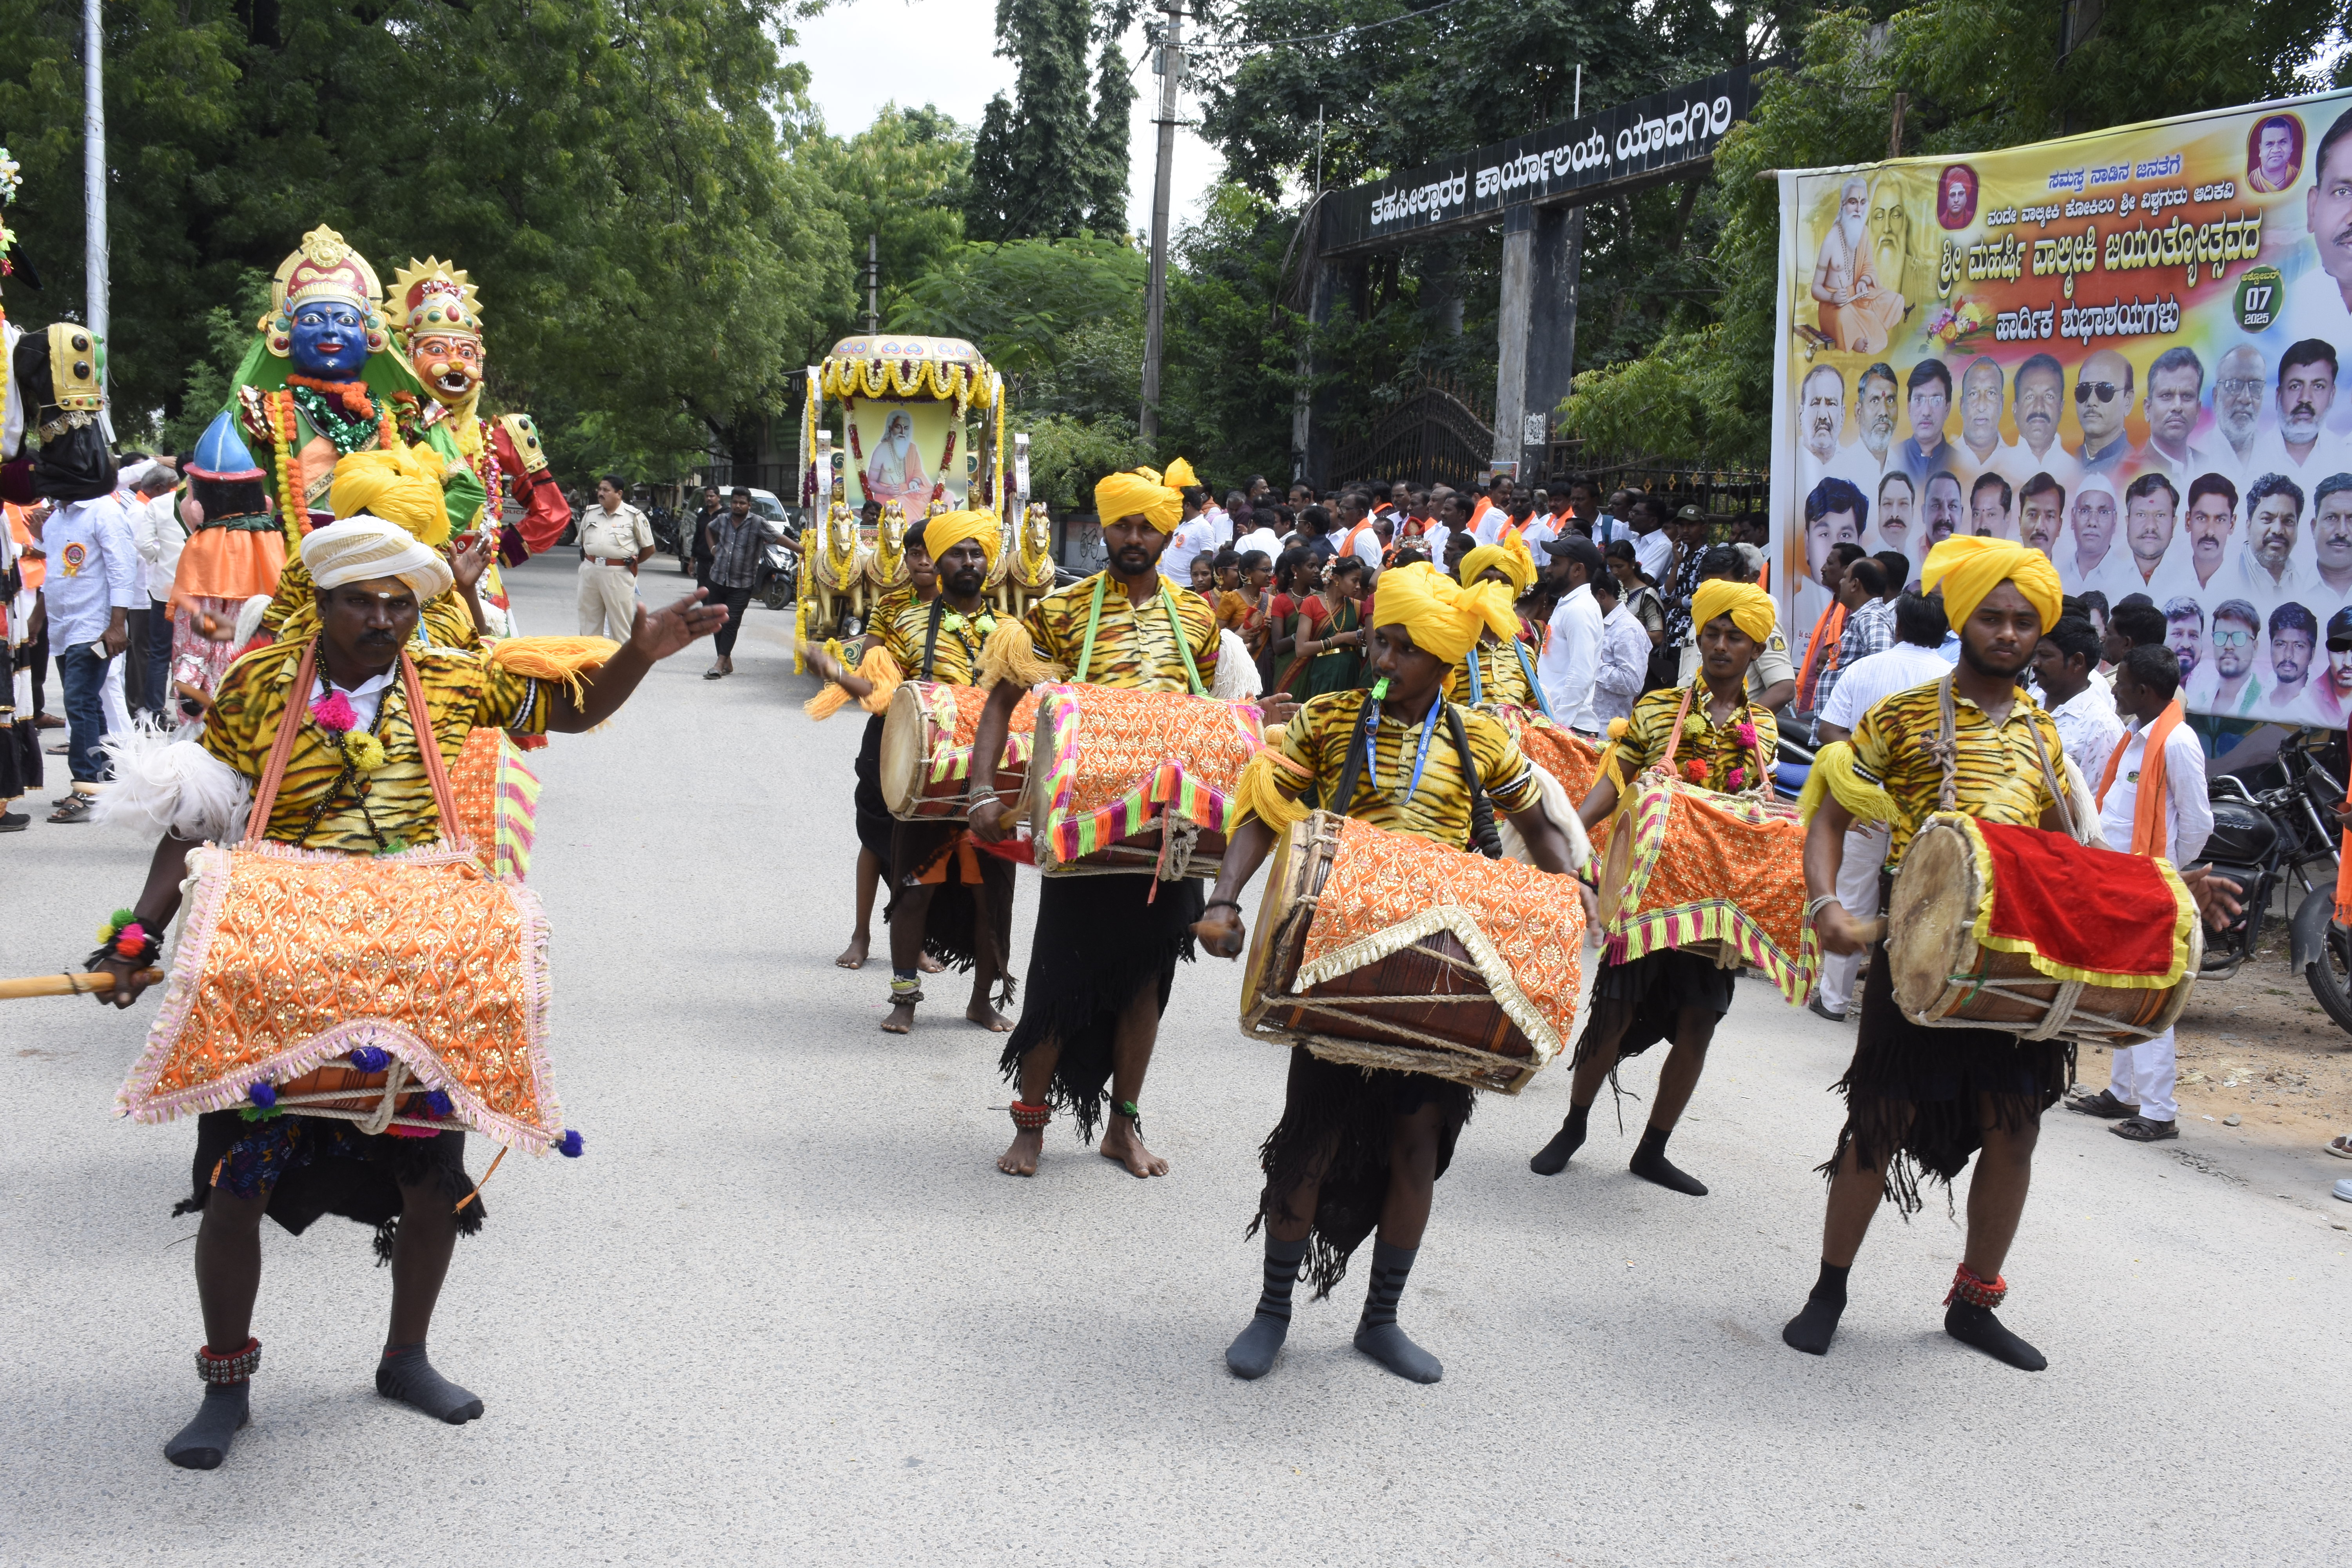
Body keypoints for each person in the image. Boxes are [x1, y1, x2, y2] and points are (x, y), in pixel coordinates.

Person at [84, 497, 726, 1470]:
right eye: (362, 602)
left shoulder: (454, 675)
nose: (383, 619)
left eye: (400, 603)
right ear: (322, 603)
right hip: (287, 953)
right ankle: (226, 1383)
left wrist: (639, 653)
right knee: (235, 1185)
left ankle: (406, 1357)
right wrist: (136, 937)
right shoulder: (261, 682)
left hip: (413, 958)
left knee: (432, 1184)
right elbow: (196, 820)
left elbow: (571, 709)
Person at [1197, 562, 1580, 1384]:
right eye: (1381, 642)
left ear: (1445, 659)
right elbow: (1264, 812)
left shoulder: (1481, 738)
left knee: (1416, 1149)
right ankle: (1272, 1312)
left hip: (1441, 976)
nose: (1383, 660)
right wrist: (1224, 900)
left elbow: (1541, 823)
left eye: (1404, 649)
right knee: (1308, 1140)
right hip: (1341, 967)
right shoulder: (1332, 719)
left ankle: (1381, 1320)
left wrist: (1569, 896)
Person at [1786, 536, 2088, 1370]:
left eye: (2023, 620)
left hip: (2012, 960)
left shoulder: (2045, 735)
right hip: (1915, 952)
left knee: (2014, 1129)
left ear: (2040, 631)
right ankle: (1828, 1293)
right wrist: (1826, 906)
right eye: (1991, 616)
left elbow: (2067, 853)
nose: (2007, 632)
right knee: (1877, 1122)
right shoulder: (1901, 716)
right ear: (1963, 620)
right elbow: (1828, 816)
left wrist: (2159, 888)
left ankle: (1974, 1304)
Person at [967, 468, 1223, 1180]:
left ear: (1168, 536)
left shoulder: (1199, 618)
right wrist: (982, 789)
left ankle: (1122, 1128)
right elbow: (1000, 701)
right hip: (1083, 825)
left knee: (1147, 983)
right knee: (1061, 975)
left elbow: (1211, 717)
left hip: (1170, 831)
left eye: (1147, 527)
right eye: (1122, 525)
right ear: (1104, 529)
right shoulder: (1063, 610)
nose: (1133, 538)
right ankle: (1030, 1124)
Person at [1529, 579, 1781, 1196]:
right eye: (1712, 634)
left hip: (1712, 907)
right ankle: (1573, 1127)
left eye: (1735, 638)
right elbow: (1614, 779)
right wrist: (1567, 833)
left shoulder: (1764, 729)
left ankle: (1653, 1150)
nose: (1720, 646)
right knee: (1613, 1015)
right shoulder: (1658, 708)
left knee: (1698, 1026)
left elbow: (1755, 814)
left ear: (1755, 650)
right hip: (1646, 894)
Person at [802, 512, 1018, 1034]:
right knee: (914, 890)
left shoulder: (1012, 632)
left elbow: (1033, 703)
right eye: (956, 553)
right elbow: (883, 696)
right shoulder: (906, 624)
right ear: (938, 563)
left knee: (992, 899)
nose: (968, 562)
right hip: (928, 782)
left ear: (989, 563)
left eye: (977, 553)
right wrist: (836, 673)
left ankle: (982, 1002)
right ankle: (904, 999)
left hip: (992, 785)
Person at [2067, 645, 2210, 1144]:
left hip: (2149, 884)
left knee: (2151, 990)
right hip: (2118, 880)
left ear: (2145, 691)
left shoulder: (2178, 742)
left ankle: (2158, 1110)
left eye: (2122, 683)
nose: (2115, 691)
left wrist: (2164, 872)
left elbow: (2198, 824)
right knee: (2125, 988)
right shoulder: (2134, 735)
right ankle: (2124, 1093)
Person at [1806, 592, 1953, 1022]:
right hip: (1925, 810)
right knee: (1926, 902)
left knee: (1854, 893)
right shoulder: (1952, 681)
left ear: (1898, 627)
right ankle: (1917, 1003)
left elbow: (1830, 729)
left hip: (1862, 804)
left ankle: (1834, 1000)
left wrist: (1868, 768)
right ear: (1947, 632)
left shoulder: (1865, 668)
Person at [826, 532, 939, 973]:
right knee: (874, 836)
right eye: (915, 553)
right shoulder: (890, 606)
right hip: (889, 731)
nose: (924, 561)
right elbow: (873, 667)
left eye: (932, 553)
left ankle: (919, 939)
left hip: (940, 737)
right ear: (905, 559)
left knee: (925, 841)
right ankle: (861, 934)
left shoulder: (966, 610)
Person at [38, 455, 140, 823]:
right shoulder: (56, 519)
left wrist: (117, 625)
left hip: (94, 627)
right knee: (89, 704)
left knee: (79, 702)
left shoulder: (104, 512)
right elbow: (54, 573)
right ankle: (103, 778)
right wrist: (36, 620)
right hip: (64, 628)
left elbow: (123, 570)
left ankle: (84, 786)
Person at [1811, 176, 1907, 353]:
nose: (1858, 209)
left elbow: (1868, 266)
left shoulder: (1863, 232)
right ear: (1843, 204)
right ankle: (1855, 339)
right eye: (1853, 202)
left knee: (1893, 300)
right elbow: (1815, 288)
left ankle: (1862, 329)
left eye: (1863, 203)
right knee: (1845, 315)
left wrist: (1863, 281)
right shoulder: (1831, 240)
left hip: (1856, 296)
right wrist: (1833, 298)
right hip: (1833, 306)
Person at [2031, 615, 2124, 787]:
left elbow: (2095, 798)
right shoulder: (2028, 701)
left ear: (2077, 662)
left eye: (2045, 656)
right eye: (2035, 654)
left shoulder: (2102, 728)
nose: (2035, 663)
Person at [123, 460, 184, 719]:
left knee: (159, 652)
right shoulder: (197, 502)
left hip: (163, 589)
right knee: (190, 653)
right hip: (196, 588)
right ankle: (190, 712)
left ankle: (154, 711)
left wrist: (161, 559)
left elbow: (143, 544)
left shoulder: (156, 505)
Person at [1808, 558, 1892, 742]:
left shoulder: (1871, 618)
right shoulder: (1865, 616)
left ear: (1855, 584)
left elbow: (1883, 662)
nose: (1841, 582)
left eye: (1845, 578)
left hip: (1847, 731)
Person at [1537, 534, 1606, 735]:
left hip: (1569, 725)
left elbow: (1581, 674)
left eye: (1556, 563)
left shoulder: (1579, 609)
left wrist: (1558, 725)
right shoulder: (1570, 603)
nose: (1548, 570)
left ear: (1577, 570)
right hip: (1558, 720)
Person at [577, 475, 653, 640]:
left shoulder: (633, 516)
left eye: (606, 490)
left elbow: (649, 548)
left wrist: (633, 563)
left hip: (618, 574)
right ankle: (592, 657)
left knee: (621, 626)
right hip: (590, 571)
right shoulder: (591, 514)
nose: (601, 493)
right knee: (588, 624)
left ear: (619, 494)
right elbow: (582, 542)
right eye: (600, 489)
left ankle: (622, 657)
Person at [702, 487, 764, 679]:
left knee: (731, 623)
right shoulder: (723, 519)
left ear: (749, 505)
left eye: (742, 503)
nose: (738, 506)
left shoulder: (758, 523)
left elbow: (779, 539)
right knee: (716, 621)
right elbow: (709, 529)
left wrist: (805, 551)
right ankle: (726, 660)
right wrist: (713, 549)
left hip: (742, 584)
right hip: (717, 579)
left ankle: (719, 664)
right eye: (735, 502)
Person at [1290, 554, 1370, 698]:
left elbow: (1378, 627)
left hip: (1352, 671)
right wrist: (1341, 639)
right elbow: (1301, 649)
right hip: (1323, 672)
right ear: (1337, 579)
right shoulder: (1311, 603)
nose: (1358, 586)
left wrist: (1365, 632)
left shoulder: (1357, 606)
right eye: (1354, 581)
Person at [2073, 349, 2135, 475]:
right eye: (2084, 390)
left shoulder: (2140, 470)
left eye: (2105, 391)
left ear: (2127, 401)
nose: (2091, 402)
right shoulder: (2061, 465)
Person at [1897, 360, 1955, 484]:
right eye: (1919, 399)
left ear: (1947, 408)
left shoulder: (1962, 464)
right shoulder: (1892, 459)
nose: (1926, 412)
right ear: (1909, 407)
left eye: (1936, 400)